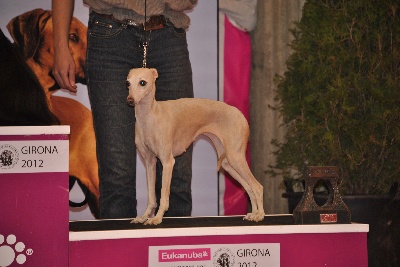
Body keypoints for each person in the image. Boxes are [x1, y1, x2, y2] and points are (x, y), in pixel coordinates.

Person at [52, 0, 197, 219]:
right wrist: (60, 47)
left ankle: (171, 252)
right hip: (110, 36)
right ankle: (119, 253)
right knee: (117, 175)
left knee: (177, 176)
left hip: (169, 34)